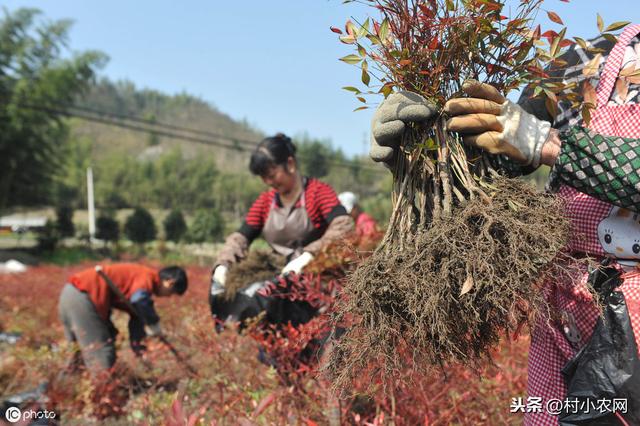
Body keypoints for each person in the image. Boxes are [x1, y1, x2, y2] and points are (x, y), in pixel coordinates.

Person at [369, 25, 640, 425]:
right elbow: (495, 154)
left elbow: (537, 140)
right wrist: (427, 147)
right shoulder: (582, 63)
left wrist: (548, 144)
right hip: (570, 318)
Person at [210, 133, 353, 322]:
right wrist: (223, 262)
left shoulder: (317, 193)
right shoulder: (266, 202)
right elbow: (241, 237)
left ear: (290, 164)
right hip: (278, 284)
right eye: (264, 179)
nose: (270, 183)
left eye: (272, 175)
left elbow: (343, 225)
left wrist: (309, 255)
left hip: (317, 283)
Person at [58, 263, 188, 373]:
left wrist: (137, 346)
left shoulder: (140, 281)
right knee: (101, 354)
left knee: (77, 355)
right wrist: (153, 322)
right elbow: (140, 299)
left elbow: (136, 315)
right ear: (170, 283)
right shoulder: (147, 276)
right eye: (171, 293)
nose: (168, 297)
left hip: (71, 294)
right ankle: (101, 395)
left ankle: (61, 391)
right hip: (82, 296)